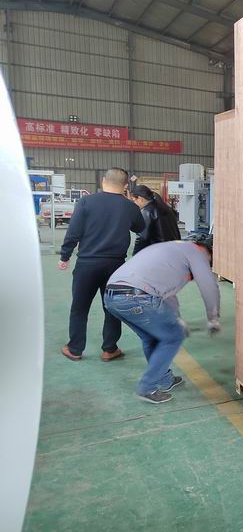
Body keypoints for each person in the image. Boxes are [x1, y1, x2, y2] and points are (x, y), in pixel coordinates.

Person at [103, 235, 220, 404]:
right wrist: (213, 318)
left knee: (152, 336)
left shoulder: (174, 250)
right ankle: (147, 387)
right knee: (174, 336)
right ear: (210, 252)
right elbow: (208, 285)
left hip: (112, 297)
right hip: (136, 297)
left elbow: (166, 295)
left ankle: (165, 379)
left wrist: (177, 318)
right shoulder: (198, 253)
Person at [59, 168, 145, 362]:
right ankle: (110, 349)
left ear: (103, 181)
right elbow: (140, 228)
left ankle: (75, 349)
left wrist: (65, 256)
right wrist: (129, 208)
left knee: (80, 308)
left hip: (87, 263)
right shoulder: (129, 206)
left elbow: (74, 232)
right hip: (116, 265)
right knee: (112, 307)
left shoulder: (86, 202)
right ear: (125, 186)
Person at [130, 184, 181, 255]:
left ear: (140, 198)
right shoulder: (166, 208)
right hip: (173, 250)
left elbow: (142, 238)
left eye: (134, 201)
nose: (134, 204)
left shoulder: (147, 211)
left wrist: (135, 256)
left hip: (158, 252)